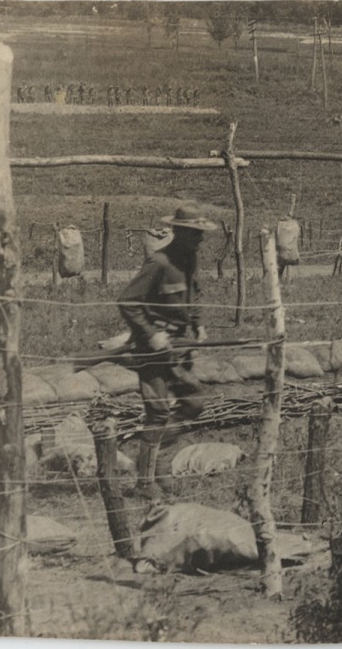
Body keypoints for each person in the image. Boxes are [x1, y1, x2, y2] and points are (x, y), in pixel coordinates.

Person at [117, 205, 219, 496]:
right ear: (180, 231)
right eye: (195, 233)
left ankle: (157, 460)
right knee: (158, 412)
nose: (200, 239)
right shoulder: (158, 263)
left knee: (194, 402)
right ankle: (146, 481)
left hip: (178, 348)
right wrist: (151, 335)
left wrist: (198, 324)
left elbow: (194, 294)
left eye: (201, 233)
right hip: (152, 351)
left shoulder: (190, 260)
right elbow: (127, 301)